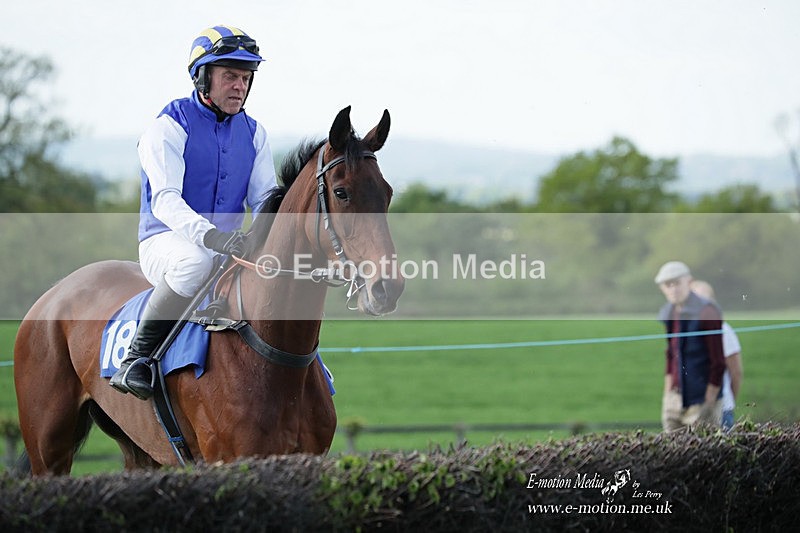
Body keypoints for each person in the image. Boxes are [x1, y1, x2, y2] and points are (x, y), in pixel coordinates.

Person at [110, 25, 277, 399]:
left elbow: (265, 198)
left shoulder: (255, 133)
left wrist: (262, 239)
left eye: (246, 78)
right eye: (230, 76)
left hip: (227, 246)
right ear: (203, 77)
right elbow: (166, 200)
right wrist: (213, 238)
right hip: (166, 241)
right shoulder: (169, 126)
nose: (240, 86)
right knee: (195, 262)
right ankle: (136, 359)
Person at [654, 261, 726, 431]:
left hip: (701, 399)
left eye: (677, 283)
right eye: (668, 285)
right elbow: (670, 354)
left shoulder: (707, 311)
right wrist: (667, 395)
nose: (673, 289)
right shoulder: (669, 312)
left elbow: (718, 362)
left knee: (704, 446)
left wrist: (709, 401)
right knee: (670, 446)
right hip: (674, 399)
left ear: (689, 282)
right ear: (662, 288)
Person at [690, 280, 744, 430]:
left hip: (720, 409)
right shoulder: (684, 331)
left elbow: (736, 372)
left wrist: (727, 401)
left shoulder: (723, 330)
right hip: (689, 411)